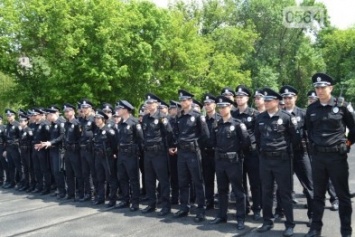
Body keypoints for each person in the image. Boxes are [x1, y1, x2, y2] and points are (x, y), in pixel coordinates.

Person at [305, 73, 355, 237]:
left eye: (322, 87)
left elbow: (354, 129)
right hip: (318, 158)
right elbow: (308, 130)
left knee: (343, 196)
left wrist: (346, 144)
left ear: (331, 88)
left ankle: (346, 231)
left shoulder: (342, 106)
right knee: (317, 195)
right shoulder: (312, 109)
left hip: (337, 158)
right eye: (317, 88)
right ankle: (315, 229)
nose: (319, 90)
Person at [255, 88, 300, 237]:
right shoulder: (260, 118)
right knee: (266, 192)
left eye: (268, 100)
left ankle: (289, 224)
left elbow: (295, 139)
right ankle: (267, 221)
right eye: (265, 100)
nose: (266, 103)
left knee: (285, 193)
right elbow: (257, 138)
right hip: (265, 160)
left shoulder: (286, 117)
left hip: (282, 160)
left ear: (276, 102)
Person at [209, 95, 250, 230]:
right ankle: (222, 215)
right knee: (222, 190)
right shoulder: (217, 124)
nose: (221, 109)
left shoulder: (238, 124)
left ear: (230, 107)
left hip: (234, 162)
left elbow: (245, 143)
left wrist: (236, 153)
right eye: (219, 107)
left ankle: (240, 218)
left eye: (224, 106)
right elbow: (213, 142)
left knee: (238, 191)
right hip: (220, 161)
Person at [170, 89, 209, 222]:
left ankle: (201, 210)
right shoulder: (179, 117)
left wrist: (196, 145)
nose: (182, 102)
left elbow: (205, 135)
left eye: (185, 100)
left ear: (190, 101)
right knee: (183, 181)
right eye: (181, 100)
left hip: (193, 152)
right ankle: (184, 207)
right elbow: (176, 133)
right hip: (182, 153)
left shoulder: (198, 116)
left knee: (197, 181)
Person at [280, 85, 314, 226]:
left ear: (296, 98)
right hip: (284, 155)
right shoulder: (278, 114)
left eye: (290, 97)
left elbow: (311, 133)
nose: (287, 100)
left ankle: (313, 215)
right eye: (285, 98)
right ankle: (280, 211)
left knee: (309, 186)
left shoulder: (303, 114)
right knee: (282, 186)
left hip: (301, 153)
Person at [141, 93, 174, 216]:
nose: (149, 105)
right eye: (147, 103)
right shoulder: (145, 118)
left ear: (157, 104)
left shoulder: (162, 117)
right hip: (148, 153)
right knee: (149, 179)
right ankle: (151, 204)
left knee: (163, 180)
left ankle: (166, 206)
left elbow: (169, 133)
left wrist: (170, 147)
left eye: (151, 103)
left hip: (159, 152)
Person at [233, 85, 262, 220]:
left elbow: (258, 133)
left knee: (255, 182)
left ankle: (257, 208)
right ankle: (244, 207)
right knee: (240, 182)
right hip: (238, 153)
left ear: (247, 98)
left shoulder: (254, 114)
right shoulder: (233, 114)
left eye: (241, 97)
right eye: (237, 97)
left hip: (251, 153)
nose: (239, 99)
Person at [115, 100, 143, 212]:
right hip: (121, 154)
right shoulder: (121, 123)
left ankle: (135, 202)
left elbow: (140, 139)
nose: (118, 111)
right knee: (122, 177)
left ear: (126, 110)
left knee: (133, 178)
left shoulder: (134, 122)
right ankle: (125, 200)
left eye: (119, 109)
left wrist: (137, 153)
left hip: (131, 155)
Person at [92, 110, 118, 206]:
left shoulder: (109, 131)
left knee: (111, 178)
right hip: (98, 157)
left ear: (103, 119)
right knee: (100, 178)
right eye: (95, 118)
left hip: (107, 157)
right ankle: (101, 197)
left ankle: (112, 199)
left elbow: (115, 144)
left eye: (98, 118)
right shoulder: (97, 131)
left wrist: (114, 153)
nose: (96, 120)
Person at [40, 108, 66, 199]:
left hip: (59, 150)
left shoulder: (60, 123)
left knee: (58, 171)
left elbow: (62, 136)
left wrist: (51, 142)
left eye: (49, 115)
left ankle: (63, 191)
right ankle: (59, 189)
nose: (48, 116)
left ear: (54, 114)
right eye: (48, 115)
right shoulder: (52, 124)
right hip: (52, 150)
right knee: (54, 171)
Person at [200, 93, 220, 210]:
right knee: (208, 179)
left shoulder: (219, 119)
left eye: (209, 104)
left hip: (217, 154)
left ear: (215, 105)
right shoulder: (202, 120)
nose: (207, 106)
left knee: (222, 181)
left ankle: (222, 204)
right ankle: (209, 201)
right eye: (205, 104)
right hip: (206, 153)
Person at [63, 103, 83, 200]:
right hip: (67, 151)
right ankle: (71, 193)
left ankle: (80, 193)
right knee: (69, 173)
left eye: (68, 111)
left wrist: (76, 146)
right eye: (65, 112)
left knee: (78, 173)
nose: (66, 113)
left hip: (75, 151)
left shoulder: (77, 123)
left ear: (73, 112)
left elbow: (80, 138)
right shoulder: (66, 124)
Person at [79, 99, 97, 202]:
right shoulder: (82, 120)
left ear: (90, 108)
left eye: (86, 108)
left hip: (91, 149)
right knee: (85, 172)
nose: (84, 110)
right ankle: (88, 193)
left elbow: (97, 133)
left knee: (93, 172)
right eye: (83, 108)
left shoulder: (94, 119)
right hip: (83, 149)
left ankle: (95, 193)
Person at [31, 108, 51, 194]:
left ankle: (47, 188)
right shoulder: (34, 125)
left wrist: (44, 145)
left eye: (35, 115)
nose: (34, 116)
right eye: (33, 115)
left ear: (40, 115)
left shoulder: (45, 124)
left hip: (42, 149)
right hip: (35, 149)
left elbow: (49, 137)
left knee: (44, 169)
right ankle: (40, 186)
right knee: (36, 168)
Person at [3, 109, 22, 189]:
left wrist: (16, 141)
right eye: (7, 116)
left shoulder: (17, 125)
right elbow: (5, 139)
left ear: (14, 116)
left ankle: (21, 182)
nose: (9, 117)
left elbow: (21, 137)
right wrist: (5, 150)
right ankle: (12, 182)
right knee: (10, 166)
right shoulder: (7, 126)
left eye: (10, 115)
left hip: (16, 148)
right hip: (9, 148)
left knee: (18, 166)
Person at [18, 112, 33, 191]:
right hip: (23, 151)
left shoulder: (28, 130)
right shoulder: (21, 131)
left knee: (30, 168)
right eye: (20, 121)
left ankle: (32, 184)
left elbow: (31, 141)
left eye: (22, 121)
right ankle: (26, 184)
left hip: (28, 151)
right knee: (25, 169)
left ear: (26, 121)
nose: (20, 123)